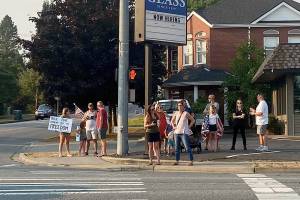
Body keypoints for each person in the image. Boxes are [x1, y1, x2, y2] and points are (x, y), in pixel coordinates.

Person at [171, 101, 195, 166]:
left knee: (187, 147)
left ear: (183, 106)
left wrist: (189, 127)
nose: (179, 107)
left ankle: (191, 161)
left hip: (184, 132)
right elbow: (172, 121)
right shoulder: (175, 113)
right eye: (178, 105)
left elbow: (193, 120)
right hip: (176, 132)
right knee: (177, 148)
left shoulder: (186, 113)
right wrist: (174, 126)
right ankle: (177, 160)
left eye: (181, 105)